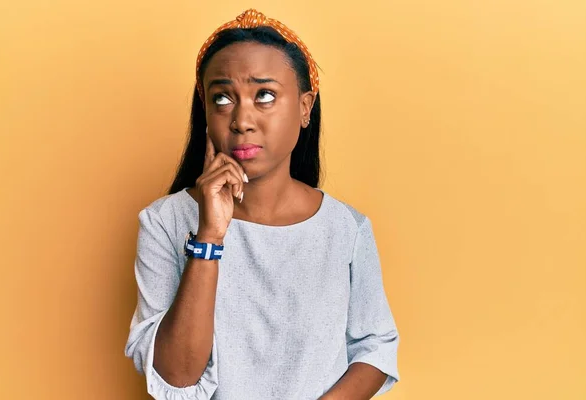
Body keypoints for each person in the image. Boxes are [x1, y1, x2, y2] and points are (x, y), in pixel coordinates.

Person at [124, 8, 400, 400]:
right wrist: (210, 235)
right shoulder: (164, 222)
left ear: (305, 108)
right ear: (205, 107)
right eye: (222, 98)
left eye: (265, 95)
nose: (241, 120)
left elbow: (375, 347)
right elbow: (177, 379)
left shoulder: (345, 228)